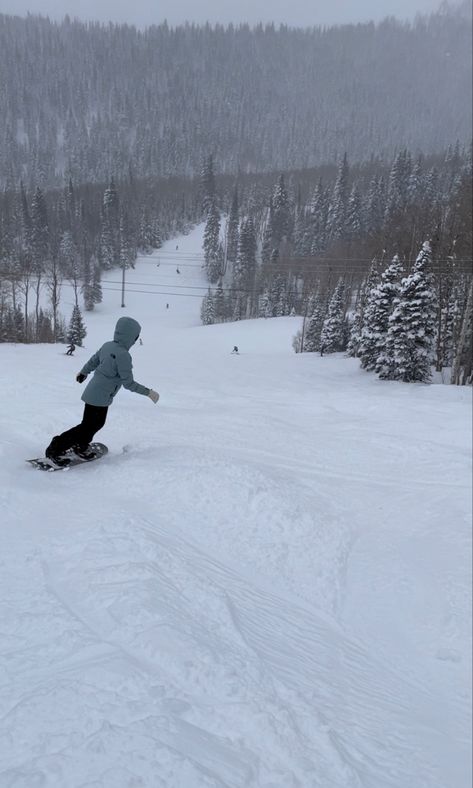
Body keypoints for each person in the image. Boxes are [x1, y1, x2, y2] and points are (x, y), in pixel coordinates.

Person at [45, 316, 159, 466]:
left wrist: (83, 372)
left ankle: (81, 446)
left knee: (92, 424)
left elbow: (94, 360)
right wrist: (148, 393)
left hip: (95, 392)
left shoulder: (108, 346)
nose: (136, 340)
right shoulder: (124, 355)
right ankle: (56, 446)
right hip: (100, 396)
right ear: (131, 336)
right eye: (136, 337)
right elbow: (128, 383)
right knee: (89, 425)